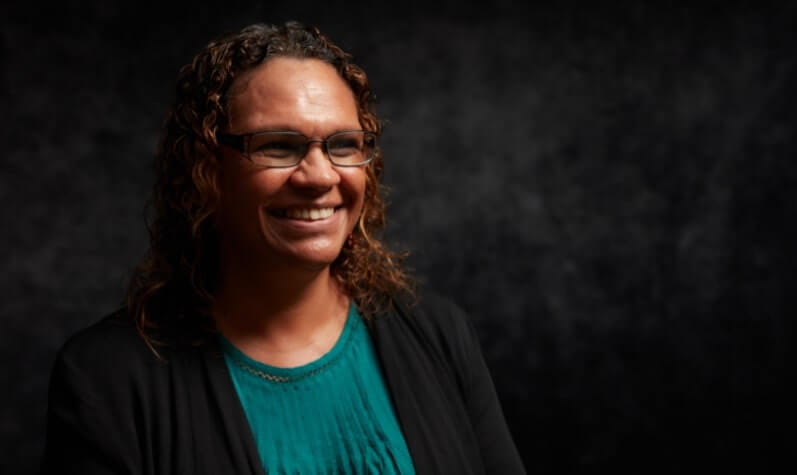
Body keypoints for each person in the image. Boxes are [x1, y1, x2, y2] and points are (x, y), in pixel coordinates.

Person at [41, 21, 525, 475]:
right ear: (206, 170)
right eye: (277, 145)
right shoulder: (105, 377)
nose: (319, 176)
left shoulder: (438, 335)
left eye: (343, 143)